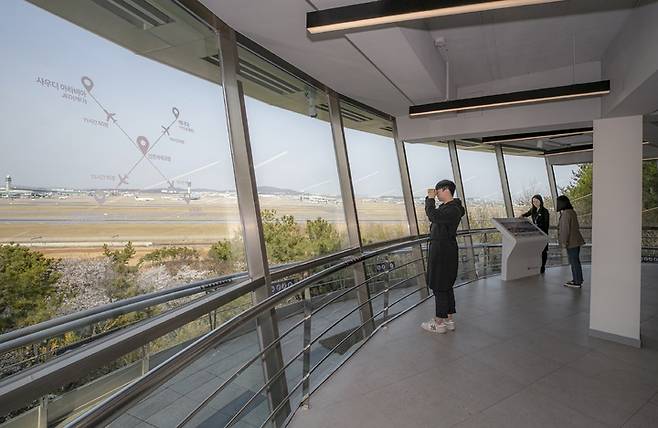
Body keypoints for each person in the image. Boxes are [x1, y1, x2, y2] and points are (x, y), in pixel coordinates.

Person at [421, 179, 465, 334]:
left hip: (442, 251)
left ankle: (438, 323)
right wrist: (432, 199)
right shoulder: (451, 208)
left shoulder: (452, 209)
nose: (436, 194)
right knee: (446, 286)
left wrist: (430, 199)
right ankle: (449, 320)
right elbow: (436, 216)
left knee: (440, 286)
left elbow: (433, 216)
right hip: (446, 250)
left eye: (438, 191)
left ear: (446, 190)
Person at [557, 195, 585, 288]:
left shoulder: (565, 214)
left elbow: (565, 230)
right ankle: (578, 279)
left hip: (571, 242)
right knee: (576, 261)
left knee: (574, 262)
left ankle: (577, 282)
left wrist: (563, 243)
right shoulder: (572, 212)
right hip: (576, 241)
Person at [520, 194, 550, 273]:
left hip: (543, 234)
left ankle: (542, 266)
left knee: (543, 251)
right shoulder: (533, 210)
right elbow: (526, 214)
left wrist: (539, 228)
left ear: (540, 201)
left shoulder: (545, 211)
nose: (535, 203)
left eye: (536, 201)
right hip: (535, 234)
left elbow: (546, 224)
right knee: (535, 250)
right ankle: (535, 267)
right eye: (533, 201)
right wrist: (521, 216)